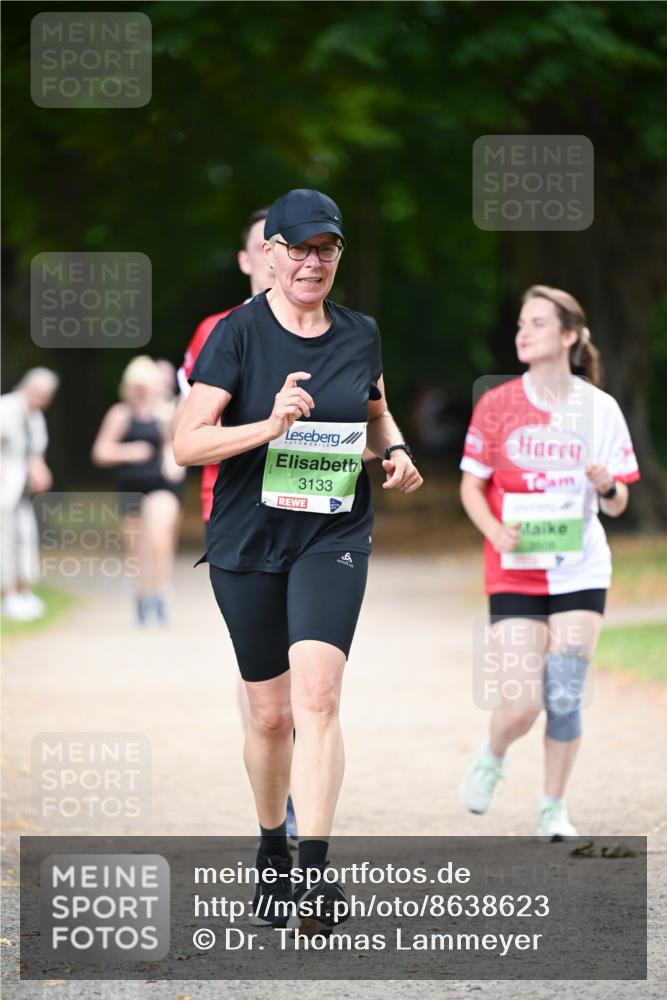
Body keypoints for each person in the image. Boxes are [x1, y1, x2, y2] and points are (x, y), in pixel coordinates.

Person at [175, 188, 423, 932]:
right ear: (271, 253)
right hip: (248, 539)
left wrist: (396, 450)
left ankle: (313, 872)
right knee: (270, 713)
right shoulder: (235, 334)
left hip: (332, 532)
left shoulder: (361, 333)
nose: (313, 263)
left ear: (338, 254)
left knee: (318, 695)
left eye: (327, 249)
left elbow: (374, 411)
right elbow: (187, 443)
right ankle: (271, 851)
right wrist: (269, 423)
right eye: (299, 249)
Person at [459, 285, 640, 840]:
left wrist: (607, 486)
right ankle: (493, 754)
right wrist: (494, 530)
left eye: (537, 323)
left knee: (564, 696)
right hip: (515, 567)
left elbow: (618, 503)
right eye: (521, 323)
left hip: (580, 569)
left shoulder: (599, 409)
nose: (524, 332)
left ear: (568, 336)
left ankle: (552, 809)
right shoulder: (497, 404)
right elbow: (471, 486)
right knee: (520, 706)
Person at [91, 356, 184, 625]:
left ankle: (160, 591)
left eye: (144, 386)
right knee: (135, 546)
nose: (140, 391)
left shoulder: (164, 413)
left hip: (160, 485)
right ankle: (142, 593)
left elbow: (173, 444)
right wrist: (128, 451)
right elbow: (101, 452)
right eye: (136, 386)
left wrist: (173, 462)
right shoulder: (120, 414)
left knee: (159, 537)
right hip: (130, 487)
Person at [1, 367, 59, 621]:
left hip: (22, 491)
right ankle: (9, 594)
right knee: (5, 540)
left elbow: (36, 454)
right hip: (4, 489)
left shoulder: (36, 418)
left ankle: (24, 591)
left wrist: (40, 471)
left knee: (26, 536)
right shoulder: (6, 408)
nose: (41, 399)